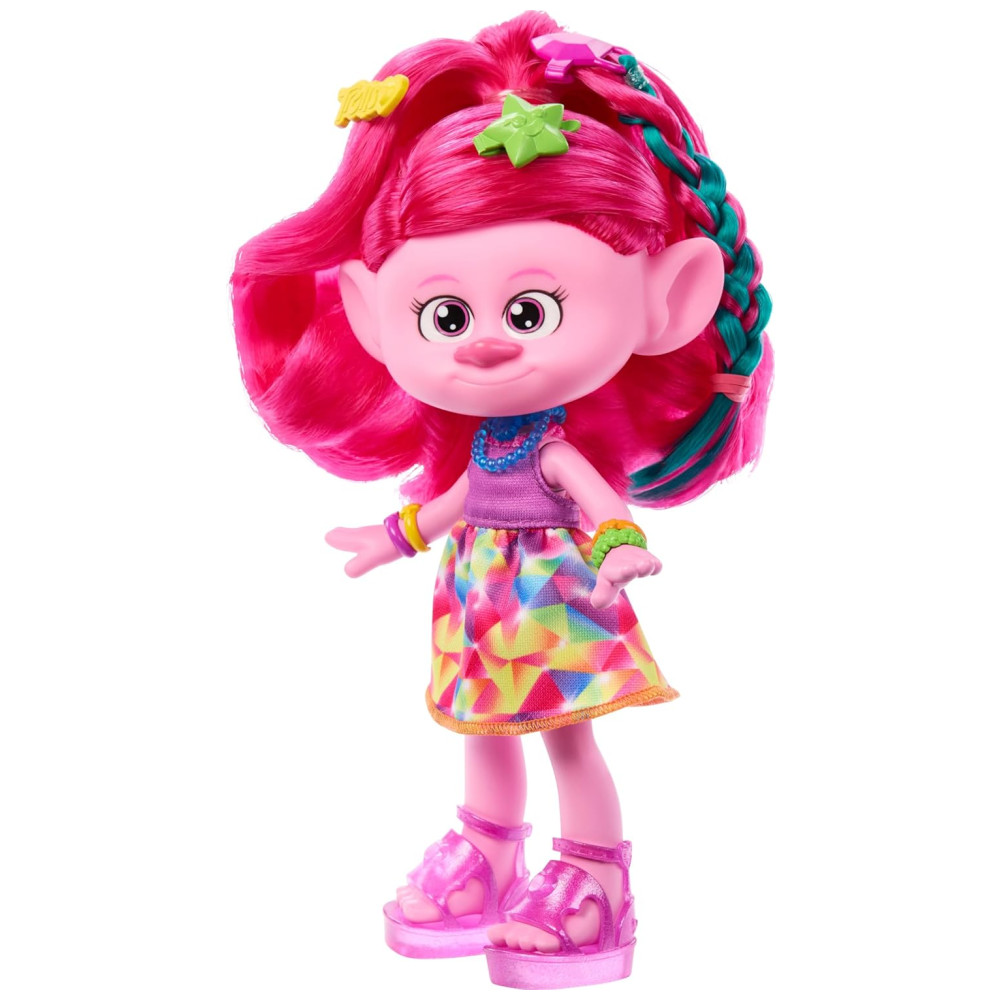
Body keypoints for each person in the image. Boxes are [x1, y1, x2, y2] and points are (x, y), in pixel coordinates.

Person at [231, 11, 772, 989]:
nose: (484, 342)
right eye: (444, 314)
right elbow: (451, 505)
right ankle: (488, 852)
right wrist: (390, 534)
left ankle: (594, 877)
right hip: (479, 603)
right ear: (369, 312)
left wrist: (618, 546)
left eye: (532, 310)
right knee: (478, 731)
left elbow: (596, 503)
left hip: (554, 603)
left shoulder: (552, 449)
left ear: (669, 298)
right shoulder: (488, 445)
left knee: (567, 737)